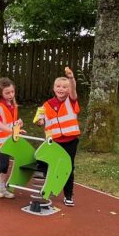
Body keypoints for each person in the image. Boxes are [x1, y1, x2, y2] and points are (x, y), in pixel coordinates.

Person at [37, 68, 80, 206]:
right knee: (47, 163)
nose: (61, 89)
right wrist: (40, 121)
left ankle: (68, 195)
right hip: (53, 142)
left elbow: (73, 91)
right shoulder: (46, 104)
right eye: (58, 86)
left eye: (64, 87)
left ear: (68, 90)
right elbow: (40, 120)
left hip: (70, 141)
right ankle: (47, 186)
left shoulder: (71, 101)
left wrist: (71, 78)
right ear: (54, 88)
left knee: (68, 167)